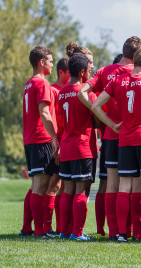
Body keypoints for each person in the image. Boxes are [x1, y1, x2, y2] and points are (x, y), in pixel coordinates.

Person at [77, 36, 141, 240]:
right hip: (134, 136)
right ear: (138, 55)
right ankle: (132, 230)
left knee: (111, 185)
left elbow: (82, 93)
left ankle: (114, 231)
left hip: (110, 135)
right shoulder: (140, 74)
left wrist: (104, 119)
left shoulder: (105, 71)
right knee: (134, 185)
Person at [92, 47, 141, 243]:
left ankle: (122, 233)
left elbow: (96, 105)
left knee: (124, 186)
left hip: (124, 139)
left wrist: (112, 124)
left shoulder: (117, 81)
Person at [58, 53, 97, 240]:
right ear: (82, 72)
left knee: (67, 191)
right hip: (82, 146)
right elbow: (97, 119)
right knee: (81, 191)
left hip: (66, 146)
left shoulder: (61, 92)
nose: (90, 73)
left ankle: (64, 232)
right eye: (89, 70)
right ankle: (78, 233)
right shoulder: (85, 93)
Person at [20, 46, 59, 238]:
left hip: (30, 139)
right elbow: (44, 112)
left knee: (36, 184)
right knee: (41, 186)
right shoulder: (42, 83)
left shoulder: (28, 83)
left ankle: (29, 228)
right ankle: (41, 230)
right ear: (41, 62)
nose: (52, 64)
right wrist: (55, 137)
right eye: (50, 61)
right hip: (41, 138)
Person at [47, 57, 70, 235]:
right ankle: (47, 226)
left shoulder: (66, 90)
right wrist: (57, 141)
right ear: (61, 72)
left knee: (62, 184)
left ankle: (62, 227)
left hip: (67, 142)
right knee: (54, 183)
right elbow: (54, 119)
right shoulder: (54, 90)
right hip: (59, 142)